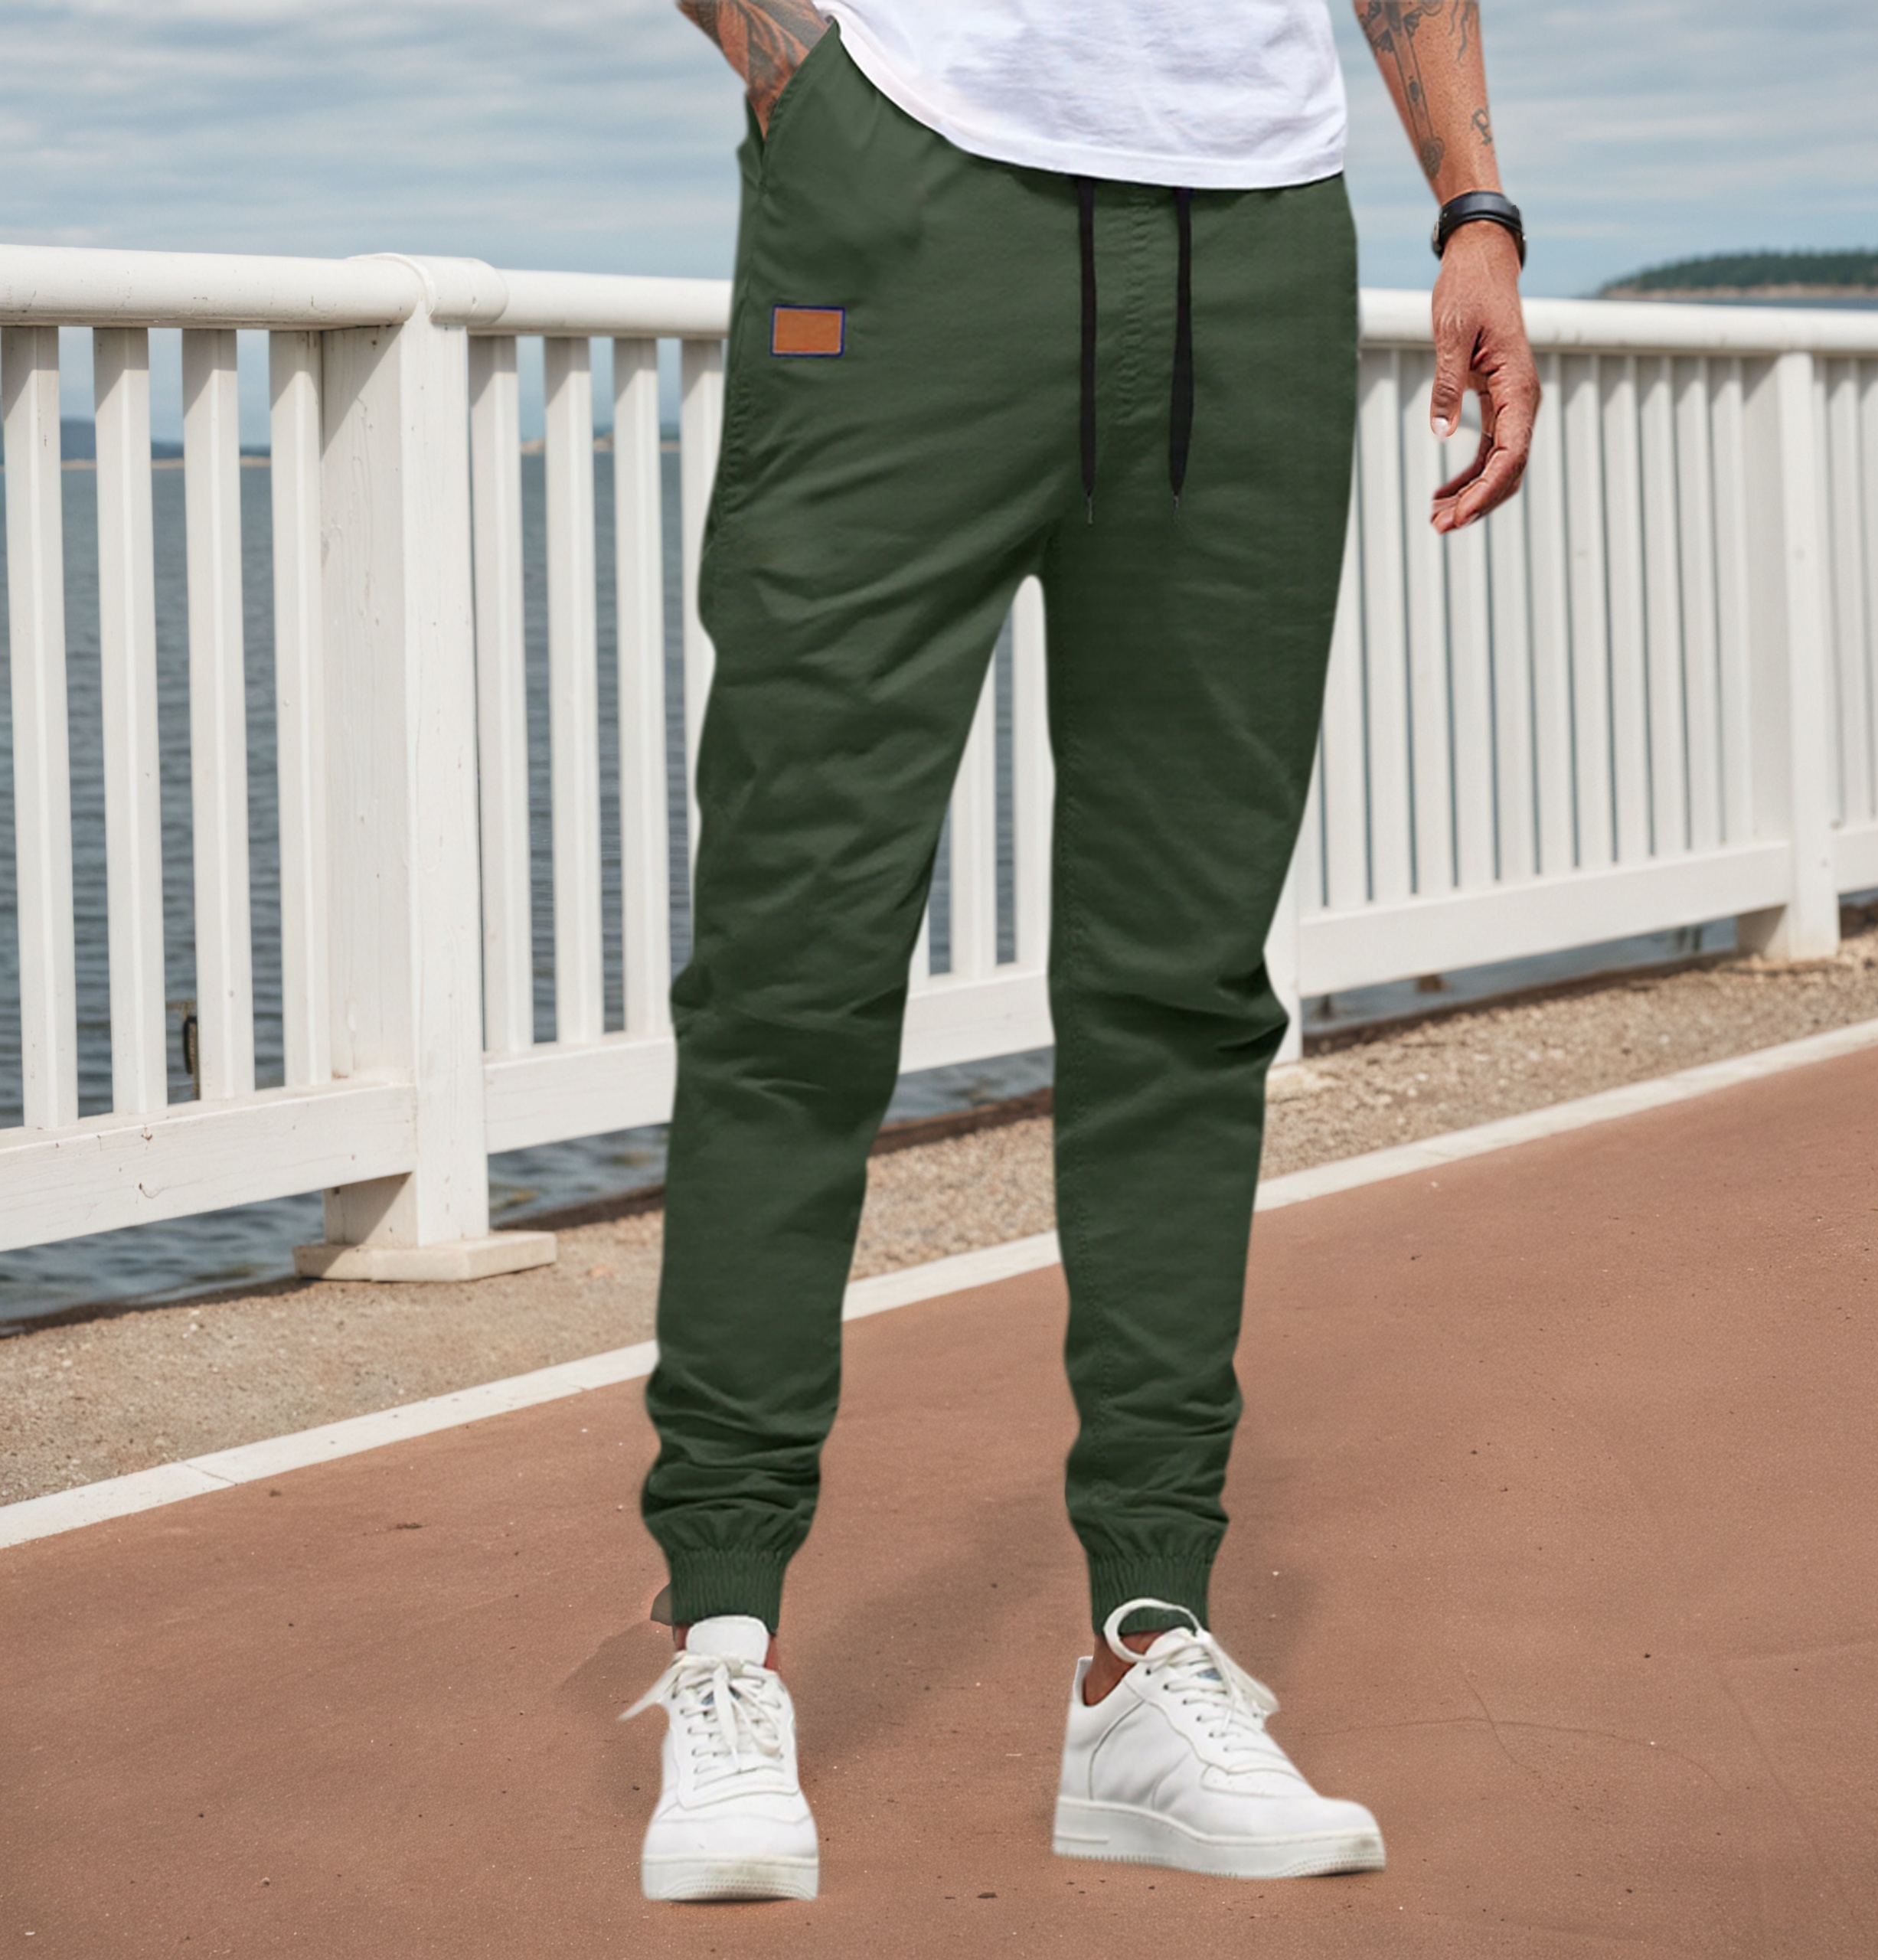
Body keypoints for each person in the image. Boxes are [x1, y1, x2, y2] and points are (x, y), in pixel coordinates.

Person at [622, 0, 1539, 1903]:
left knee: (1182, 978)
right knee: (797, 955)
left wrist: (1473, 207)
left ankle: (1145, 1646)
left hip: (1258, 231)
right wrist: (796, 66)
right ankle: (723, 1634)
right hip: (912, 184)